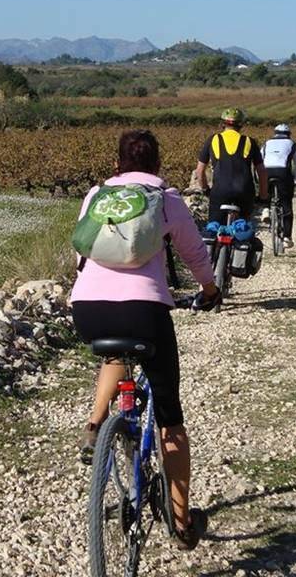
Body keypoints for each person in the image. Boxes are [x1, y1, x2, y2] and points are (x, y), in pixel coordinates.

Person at [73, 129, 218, 550]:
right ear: (157, 165)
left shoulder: (96, 196)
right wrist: (210, 290)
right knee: (170, 420)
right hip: (145, 311)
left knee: (115, 352)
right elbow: (194, 253)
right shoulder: (165, 197)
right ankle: (181, 522)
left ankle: (96, 424)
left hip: (88, 309)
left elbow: (81, 252)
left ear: (115, 165)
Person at [194, 107, 268, 225]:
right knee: (244, 229)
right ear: (241, 125)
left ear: (223, 124)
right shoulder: (249, 141)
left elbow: (199, 171)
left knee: (214, 227)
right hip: (244, 191)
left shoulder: (213, 140)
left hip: (219, 191)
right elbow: (262, 172)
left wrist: (205, 189)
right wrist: (263, 196)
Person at [261, 123, 296, 248]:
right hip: (283, 173)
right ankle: (286, 237)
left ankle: (265, 210)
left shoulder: (267, 143)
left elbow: (259, 159)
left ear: (275, 133)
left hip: (266, 171)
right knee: (286, 204)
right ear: (288, 134)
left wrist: (259, 180)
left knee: (266, 192)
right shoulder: (291, 144)